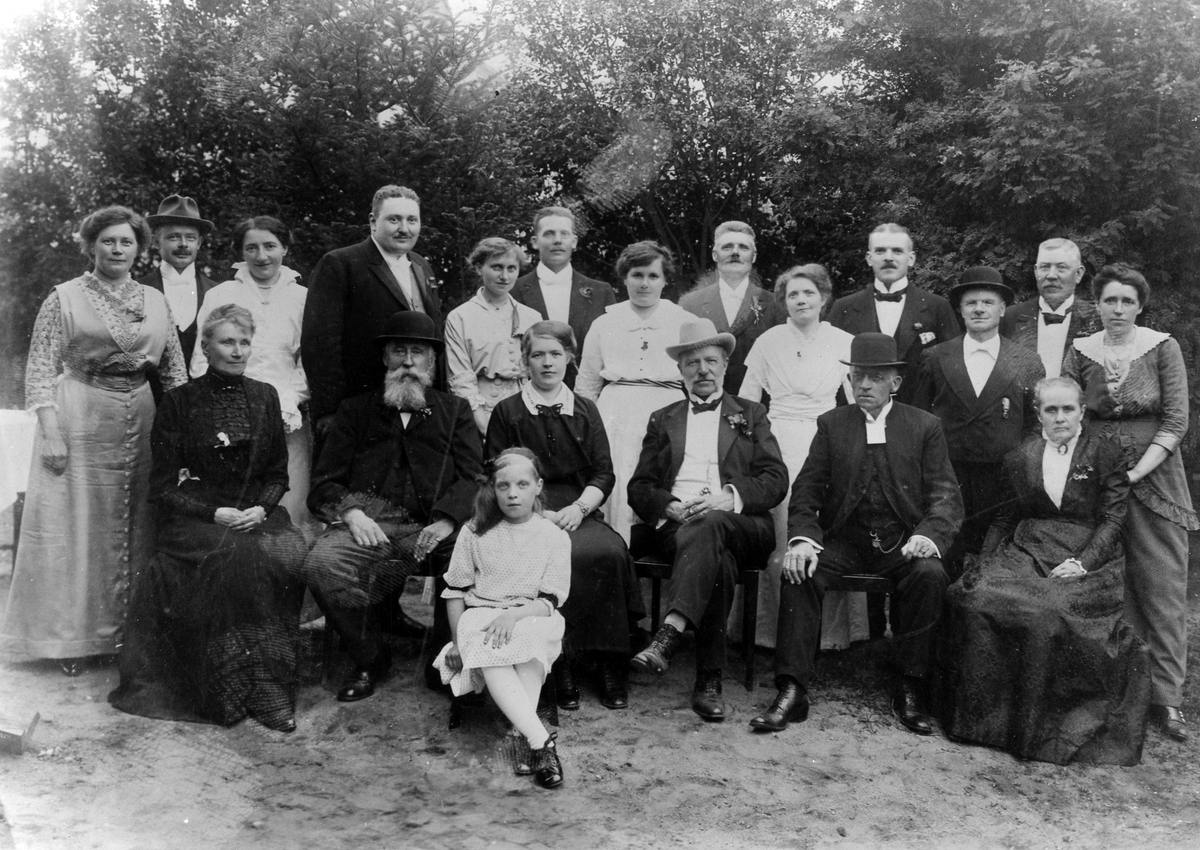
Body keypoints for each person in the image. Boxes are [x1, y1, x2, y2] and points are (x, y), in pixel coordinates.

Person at [0, 206, 187, 675]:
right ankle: (71, 641)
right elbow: (39, 370)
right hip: (80, 412)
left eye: (126, 242)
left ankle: (129, 636)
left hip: (142, 415)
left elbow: (175, 373)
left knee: (139, 522)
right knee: (75, 526)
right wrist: (51, 431)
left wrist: (184, 432)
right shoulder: (63, 297)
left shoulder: (156, 300)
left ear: (140, 250)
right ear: (91, 246)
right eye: (108, 241)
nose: (117, 250)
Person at [109, 305, 309, 732]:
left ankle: (271, 687)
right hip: (197, 518)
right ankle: (230, 692)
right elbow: (162, 488)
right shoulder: (180, 401)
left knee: (287, 550)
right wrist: (213, 512)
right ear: (206, 347)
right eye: (227, 342)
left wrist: (262, 508)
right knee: (238, 556)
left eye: (244, 342)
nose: (237, 351)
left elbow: (277, 474)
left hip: (254, 513)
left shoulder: (266, 396)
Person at [752, 333, 963, 735]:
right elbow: (807, 490)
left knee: (930, 574)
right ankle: (792, 688)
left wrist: (927, 536)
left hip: (901, 543)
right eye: (858, 377)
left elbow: (946, 496)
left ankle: (909, 686)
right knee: (797, 568)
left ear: (895, 383)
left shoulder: (924, 426)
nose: (864, 385)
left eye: (876, 378)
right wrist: (803, 540)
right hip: (845, 543)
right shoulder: (832, 424)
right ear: (848, 381)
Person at [939, 377, 1150, 765]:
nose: (1060, 417)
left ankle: (1038, 731)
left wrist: (1082, 562)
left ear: (1082, 412)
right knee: (975, 597)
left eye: (1068, 409)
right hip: (1029, 546)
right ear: (1038, 415)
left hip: (1090, 556)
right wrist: (984, 563)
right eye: (1051, 410)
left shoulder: (1106, 452)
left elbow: (1112, 519)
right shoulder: (1021, 457)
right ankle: (982, 724)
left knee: (1047, 611)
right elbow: (1005, 518)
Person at [301, 311, 482, 702]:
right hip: (369, 529)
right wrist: (352, 514)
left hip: (433, 528)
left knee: (469, 555)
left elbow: (474, 477)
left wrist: (448, 520)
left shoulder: (455, 410)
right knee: (321, 563)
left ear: (432, 360)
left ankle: (444, 659)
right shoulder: (355, 410)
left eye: (418, 352)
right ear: (385, 358)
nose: (408, 361)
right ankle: (369, 657)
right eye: (399, 351)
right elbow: (324, 483)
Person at [627, 318, 788, 721]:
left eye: (711, 361)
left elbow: (775, 479)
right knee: (720, 560)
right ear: (680, 369)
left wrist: (729, 497)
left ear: (725, 366)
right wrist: (668, 506)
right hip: (680, 528)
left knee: (713, 522)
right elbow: (640, 486)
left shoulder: (751, 413)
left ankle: (669, 633)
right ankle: (708, 681)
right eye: (693, 362)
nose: (703, 370)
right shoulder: (663, 418)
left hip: (741, 525)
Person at [1063, 264, 1197, 742]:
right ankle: (1114, 690)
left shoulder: (1162, 347)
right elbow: (1071, 411)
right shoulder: (1081, 350)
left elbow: (1176, 420)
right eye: (1109, 301)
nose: (1117, 310)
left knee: (1161, 584)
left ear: (1140, 306)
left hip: (1155, 478)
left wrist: (1135, 473)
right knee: (1104, 583)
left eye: (1127, 301)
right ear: (1096, 305)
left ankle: (1167, 698)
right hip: (1098, 476)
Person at [486, 321, 642, 710]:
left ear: (570, 358)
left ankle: (607, 662)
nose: (547, 363)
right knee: (556, 555)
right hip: (524, 510)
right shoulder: (508, 411)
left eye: (556, 354)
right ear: (525, 361)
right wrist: (536, 512)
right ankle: (562, 665)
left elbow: (603, 473)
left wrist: (579, 508)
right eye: (538, 355)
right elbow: (495, 473)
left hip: (578, 507)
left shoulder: (586, 410)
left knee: (606, 552)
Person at [736, 264, 863, 650]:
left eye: (809, 293)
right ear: (784, 302)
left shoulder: (843, 341)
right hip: (776, 441)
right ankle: (767, 632)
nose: (801, 300)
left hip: (828, 440)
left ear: (824, 298)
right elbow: (747, 401)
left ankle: (827, 635)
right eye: (793, 294)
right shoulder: (769, 340)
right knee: (778, 532)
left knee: (822, 528)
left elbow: (857, 402)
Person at [434, 448, 571, 789]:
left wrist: (514, 616)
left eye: (522, 485)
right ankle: (538, 742)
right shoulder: (474, 532)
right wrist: (457, 642)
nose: (513, 494)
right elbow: (455, 591)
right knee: (489, 642)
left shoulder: (553, 535)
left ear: (538, 487)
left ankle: (523, 736)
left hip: (531, 613)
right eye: (503, 485)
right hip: (481, 614)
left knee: (530, 639)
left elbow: (550, 600)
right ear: (492, 489)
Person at [912, 267, 1044, 573]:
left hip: (1003, 482)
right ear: (960, 310)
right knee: (947, 558)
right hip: (950, 477)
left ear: (1002, 309)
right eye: (971, 303)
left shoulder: (1027, 361)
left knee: (994, 562)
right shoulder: (936, 357)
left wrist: (1019, 465)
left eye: (988, 302)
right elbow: (920, 419)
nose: (979, 309)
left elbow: (1035, 424)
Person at [191, 216, 314, 530]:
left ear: (285, 248)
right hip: (228, 419)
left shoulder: (304, 298)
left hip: (287, 417)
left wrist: (288, 401)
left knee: (289, 508)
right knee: (234, 513)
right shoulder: (220, 295)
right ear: (241, 252)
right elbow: (201, 358)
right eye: (252, 248)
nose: (262, 256)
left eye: (270, 246)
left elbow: (311, 361)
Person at [575, 241, 693, 542]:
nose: (644, 284)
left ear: (665, 280)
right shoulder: (604, 323)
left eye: (653, 276)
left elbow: (697, 377)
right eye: (637, 275)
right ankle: (617, 551)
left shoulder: (683, 321)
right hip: (616, 413)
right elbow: (587, 384)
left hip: (668, 411)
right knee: (618, 476)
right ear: (624, 278)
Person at [302, 184, 442, 436]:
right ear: (373, 221)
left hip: (417, 403)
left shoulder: (421, 265)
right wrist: (330, 410)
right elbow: (320, 343)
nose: (404, 228)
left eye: (412, 220)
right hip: (358, 410)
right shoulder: (340, 263)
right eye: (394, 219)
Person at [827, 223, 958, 406]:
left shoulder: (937, 307)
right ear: (869, 258)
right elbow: (828, 371)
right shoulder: (843, 308)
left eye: (897, 251)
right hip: (859, 414)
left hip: (919, 416)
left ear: (911, 258)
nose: (888, 258)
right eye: (880, 251)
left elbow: (951, 370)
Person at [444, 238, 543, 436]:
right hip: (481, 414)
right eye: (497, 267)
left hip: (528, 413)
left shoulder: (532, 317)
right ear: (479, 268)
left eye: (511, 268)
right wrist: (487, 429)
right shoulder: (460, 317)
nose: (504, 276)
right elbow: (461, 381)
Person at [511, 207, 616, 387]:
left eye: (564, 234)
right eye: (549, 234)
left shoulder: (601, 292)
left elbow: (611, 352)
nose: (557, 240)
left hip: (586, 395)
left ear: (574, 242)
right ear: (535, 242)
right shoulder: (514, 291)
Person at [679, 221, 786, 394]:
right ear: (715, 255)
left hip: (758, 404)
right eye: (727, 247)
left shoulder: (775, 304)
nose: (735, 253)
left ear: (754, 256)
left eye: (743, 247)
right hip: (703, 401)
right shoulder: (690, 304)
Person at [139, 194, 222, 378]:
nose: (183, 244)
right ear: (156, 241)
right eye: (173, 237)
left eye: (190, 238)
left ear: (199, 242)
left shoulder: (217, 292)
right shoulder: (138, 290)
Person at [1000, 238, 1101, 378]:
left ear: (1078, 274)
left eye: (1061, 267)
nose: (1051, 275)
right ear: (1036, 272)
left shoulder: (1098, 320)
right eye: (1045, 267)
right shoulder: (1009, 318)